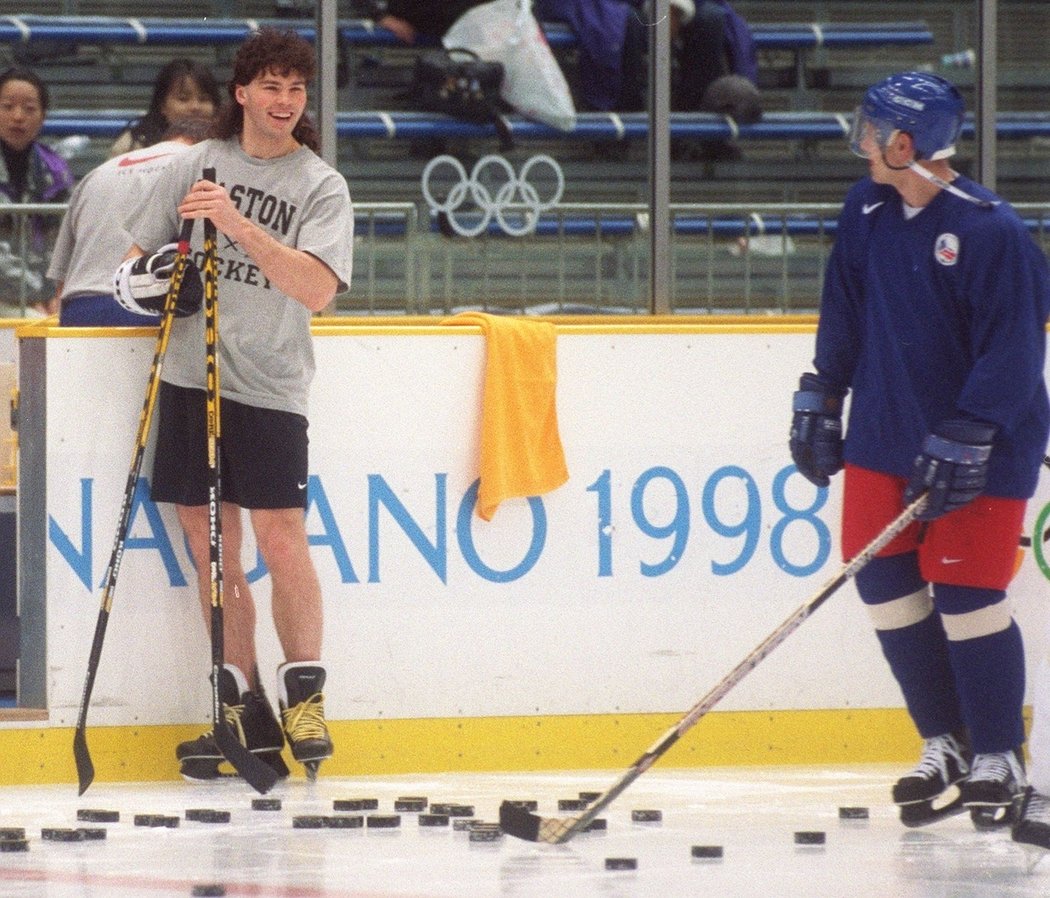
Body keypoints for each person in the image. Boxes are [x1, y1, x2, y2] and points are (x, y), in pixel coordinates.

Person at [788, 71, 1050, 831]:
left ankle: (1001, 752)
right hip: (884, 435)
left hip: (984, 445)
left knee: (968, 597)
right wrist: (820, 395)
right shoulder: (865, 208)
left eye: (872, 131)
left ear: (905, 144)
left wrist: (970, 430)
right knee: (886, 588)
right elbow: (843, 310)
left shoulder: (990, 229)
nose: (861, 143)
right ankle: (947, 742)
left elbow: (1012, 350)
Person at [117, 28, 354, 781]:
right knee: (213, 551)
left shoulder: (321, 186)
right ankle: (242, 704)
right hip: (195, 381)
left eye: (297, 88)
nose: (285, 101)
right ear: (243, 94)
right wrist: (159, 278)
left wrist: (235, 225)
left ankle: (304, 696)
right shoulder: (197, 164)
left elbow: (316, 289)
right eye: (271, 86)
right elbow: (134, 261)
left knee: (282, 539)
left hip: (271, 384)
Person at [44, 117, 213, 325]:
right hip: (148, 305)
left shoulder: (97, 173)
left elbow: (62, 276)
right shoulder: (197, 167)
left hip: (79, 309)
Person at [0, 66, 74, 305]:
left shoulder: (55, 170)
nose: (18, 116)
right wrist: (32, 294)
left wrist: (55, 292)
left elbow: (64, 240)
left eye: (29, 108)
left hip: (42, 298)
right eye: (7, 107)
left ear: (43, 116)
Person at [109, 58, 222, 158]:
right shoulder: (133, 146)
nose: (195, 107)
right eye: (183, 99)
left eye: (204, 99)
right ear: (162, 105)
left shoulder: (227, 145)